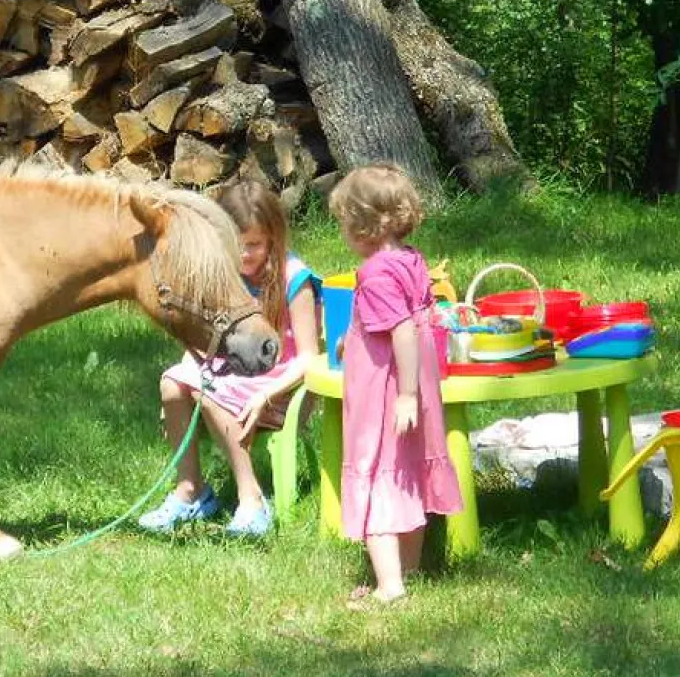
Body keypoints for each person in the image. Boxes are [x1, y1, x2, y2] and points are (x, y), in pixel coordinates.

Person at [138, 180, 323, 537]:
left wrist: (265, 394)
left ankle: (252, 499)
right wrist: (184, 376)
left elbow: (309, 358)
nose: (244, 254)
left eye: (254, 244)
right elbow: (205, 345)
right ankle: (190, 490)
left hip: (279, 388)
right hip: (233, 375)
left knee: (205, 390)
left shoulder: (294, 278)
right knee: (173, 383)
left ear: (273, 238)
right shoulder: (224, 276)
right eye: (235, 244)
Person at [328, 163, 464, 607]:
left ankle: (390, 585)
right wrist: (352, 337)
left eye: (344, 223)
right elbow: (395, 322)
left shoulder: (375, 273)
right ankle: (411, 569)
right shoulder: (411, 260)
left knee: (378, 475)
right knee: (406, 474)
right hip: (413, 383)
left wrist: (405, 394)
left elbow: (402, 330)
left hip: (385, 393)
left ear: (362, 225)